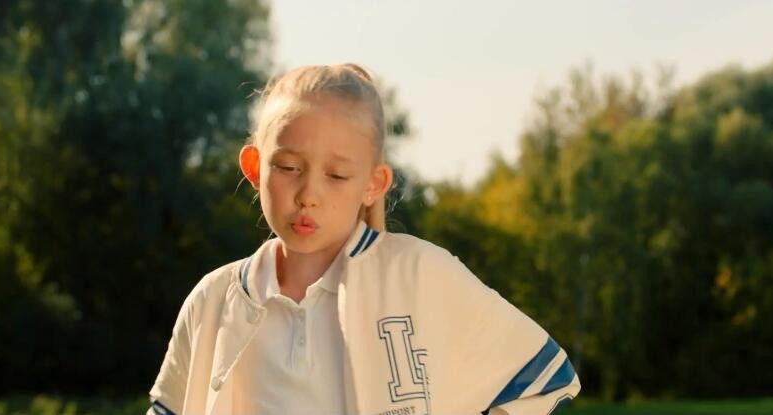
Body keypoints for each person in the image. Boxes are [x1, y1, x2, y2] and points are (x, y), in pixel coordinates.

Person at [147, 64, 580, 415]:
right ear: (254, 167)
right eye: (288, 167)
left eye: (336, 175)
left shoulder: (421, 274)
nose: (309, 195)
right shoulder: (213, 299)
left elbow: (543, 382)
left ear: (373, 184)